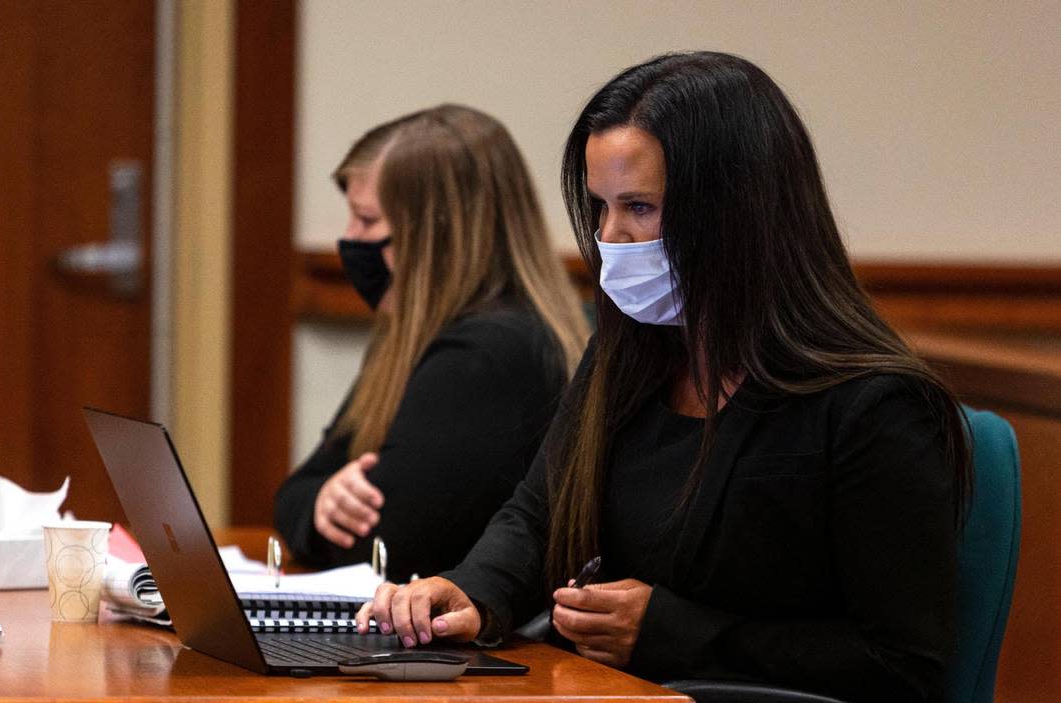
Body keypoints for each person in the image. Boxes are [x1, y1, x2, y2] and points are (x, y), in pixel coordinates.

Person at [355, 53, 970, 703]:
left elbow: (904, 664)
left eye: (640, 207)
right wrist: (476, 591)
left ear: (738, 213)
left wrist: (679, 633)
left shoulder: (872, 407)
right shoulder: (630, 356)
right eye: (601, 207)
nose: (609, 237)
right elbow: (538, 512)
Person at [274, 105, 590, 583]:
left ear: (437, 233)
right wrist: (321, 501)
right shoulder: (411, 337)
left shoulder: (487, 354)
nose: (348, 239)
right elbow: (295, 491)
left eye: (366, 219)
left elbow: (387, 551)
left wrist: (318, 516)